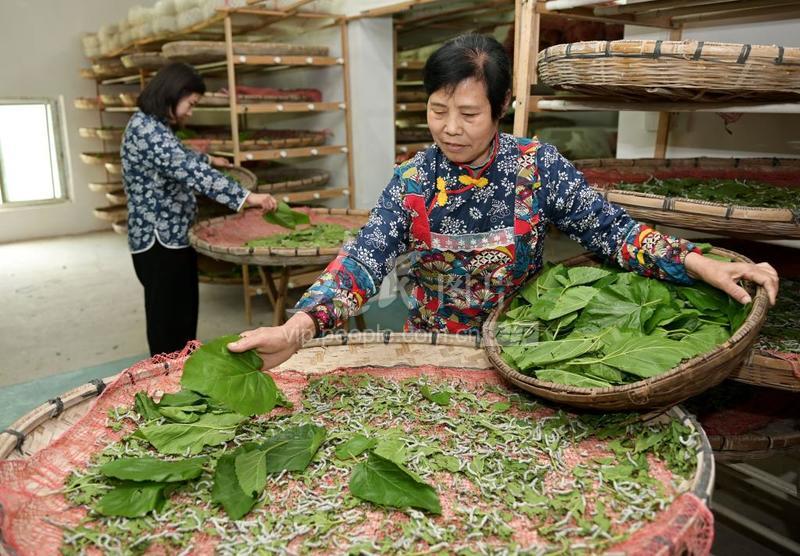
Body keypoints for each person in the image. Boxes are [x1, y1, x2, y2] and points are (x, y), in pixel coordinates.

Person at [228, 34, 779, 368]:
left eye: (468, 114)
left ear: (502, 107)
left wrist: (697, 260)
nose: (450, 128)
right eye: (437, 110)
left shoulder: (535, 167)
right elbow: (364, 260)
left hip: (526, 344)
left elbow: (612, 231)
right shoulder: (413, 181)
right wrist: (299, 327)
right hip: (433, 350)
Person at [121, 62, 278, 356]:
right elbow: (187, 170)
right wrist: (247, 198)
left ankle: (181, 369)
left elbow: (178, 157)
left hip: (173, 237)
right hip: (159, 241)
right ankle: (166, 376)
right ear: (172, 93)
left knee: (182, 315)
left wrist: (209, 160)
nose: (191, 111)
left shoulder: (153, 126)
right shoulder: (147, 129)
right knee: (167, 321)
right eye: (191, 104)